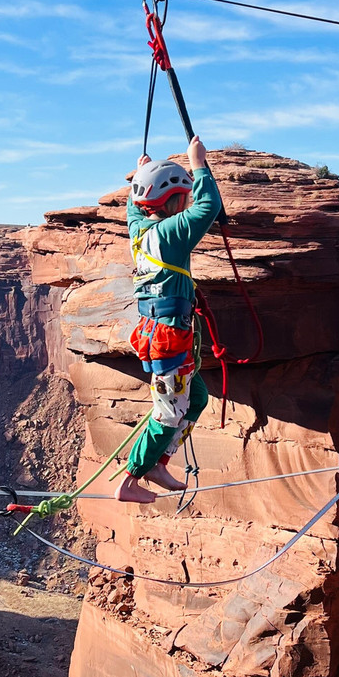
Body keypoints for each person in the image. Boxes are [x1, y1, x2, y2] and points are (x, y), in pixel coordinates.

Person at [116, 135, 219, 503]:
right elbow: (209, 207)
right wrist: (199, 163)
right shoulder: (171, 233)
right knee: (168, 413)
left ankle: (159, 463)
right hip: (169, 338)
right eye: (184, 197)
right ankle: (131, 480)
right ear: (174, 200)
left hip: (162, 332)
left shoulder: (139, 231)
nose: (188, 201)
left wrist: (138, 179)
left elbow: (132, 210)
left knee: (196, 400)